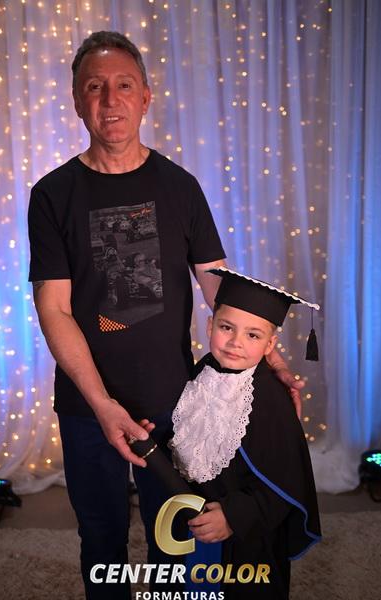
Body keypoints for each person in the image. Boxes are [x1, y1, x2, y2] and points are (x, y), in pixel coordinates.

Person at [27, 31, 305, 599]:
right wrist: (101, 404)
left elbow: (219, 288)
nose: (111, 100)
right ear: (77, 100)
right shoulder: (53, 194)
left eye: (124, 85)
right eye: (95, 88)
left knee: (175, 537)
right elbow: (54, 307)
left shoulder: (179, 186)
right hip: (87, 406)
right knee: (100, 536)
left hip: (174, 403)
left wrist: (269, 357)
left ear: (146, 97)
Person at [169, 267, 322, 599]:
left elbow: (285, 480)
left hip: (248, 536)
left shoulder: (269, 399)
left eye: (253, 335)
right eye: (226, 327)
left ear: (270, 344)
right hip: (197, 520)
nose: (236, 343)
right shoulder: (202, 372)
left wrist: (233, 517)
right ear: (210, 326)